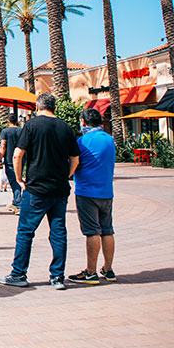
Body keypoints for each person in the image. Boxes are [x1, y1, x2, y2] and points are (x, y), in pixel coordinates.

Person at [0, 93, 80, 291]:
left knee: (26, 231)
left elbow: (18, 154)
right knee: (59, 232)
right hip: (59, 189)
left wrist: (18, 180)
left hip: (36, 188)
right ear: (54, 107)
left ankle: (18, 273)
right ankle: (57, 276)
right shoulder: (65, 127)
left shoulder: (32, 126)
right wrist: (66, 176)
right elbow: (75, 159)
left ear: (37, 106)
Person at [68, 108, 117, 285]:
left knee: (92, 232)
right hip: (106, 192)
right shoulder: (109, 139)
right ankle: (108, 269)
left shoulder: (82, 141)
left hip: (87, 192)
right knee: (107, 230)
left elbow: (74, 162)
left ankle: (90, 272)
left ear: (83, 122)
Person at [0, 113, 23, 213]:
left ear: (8, 121)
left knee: (14, 181)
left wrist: (0, 159)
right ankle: (16, 201)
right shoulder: (22, 131)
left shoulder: (5, 131)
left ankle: (18, 203)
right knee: (18, 179)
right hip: (21, 159)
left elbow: (3, 145)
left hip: (9, 159)